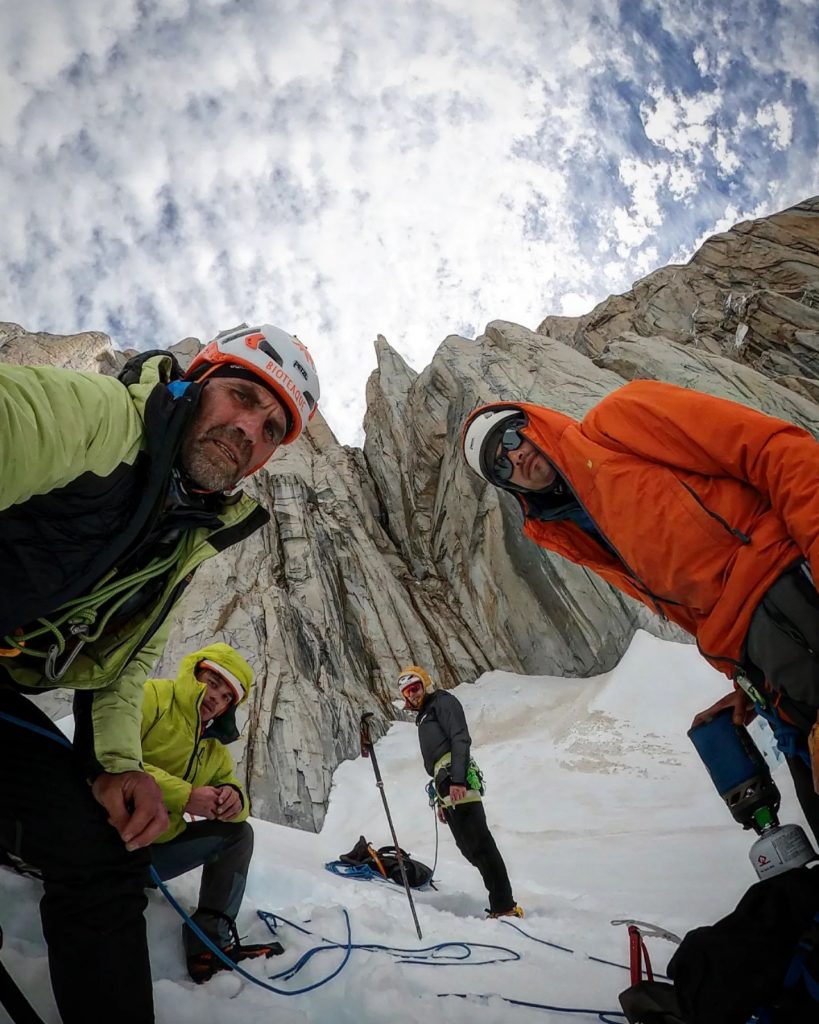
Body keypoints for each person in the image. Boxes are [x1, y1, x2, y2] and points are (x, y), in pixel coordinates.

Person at [0, 324, 319, 1023]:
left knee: (101, 861)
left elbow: (122, 661)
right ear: (191, 383)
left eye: (269, 429)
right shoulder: (103, 420)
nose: (247, 430)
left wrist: (118, 767)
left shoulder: (182, 538)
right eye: (239, 396)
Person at [460, 381, 819, 842]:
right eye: (499, 465)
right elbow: (699, 605)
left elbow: (775, 450)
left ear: (534, 422)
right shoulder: (572, 532)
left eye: (511, 437)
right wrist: (746, 683)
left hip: (793, 591)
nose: (515, 457)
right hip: (768, 670)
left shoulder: (620, 419)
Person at [142, 642, 281, 983]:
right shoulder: (152, 697)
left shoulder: (213, 746)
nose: (215, 698)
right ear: (194, 673)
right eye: (213, 682)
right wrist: (184, 796)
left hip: (152, 855)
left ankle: (207, 943)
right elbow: (110, 758)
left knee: (239, 834)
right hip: (104, 839)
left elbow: (232, 792)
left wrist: (233, 799)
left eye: (225, 697)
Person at [397, 665, 524, 919]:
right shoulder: (424, 715)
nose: (412, 694)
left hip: (457, 778)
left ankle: (504, 906)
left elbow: (459, 738)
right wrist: (442, 802)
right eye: (407, 691)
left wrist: (458, 780)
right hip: (445, 783)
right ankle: (501, 903)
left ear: (425, 684)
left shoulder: (442, 702)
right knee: (468, 846)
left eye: (415, 687)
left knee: (480, 843)